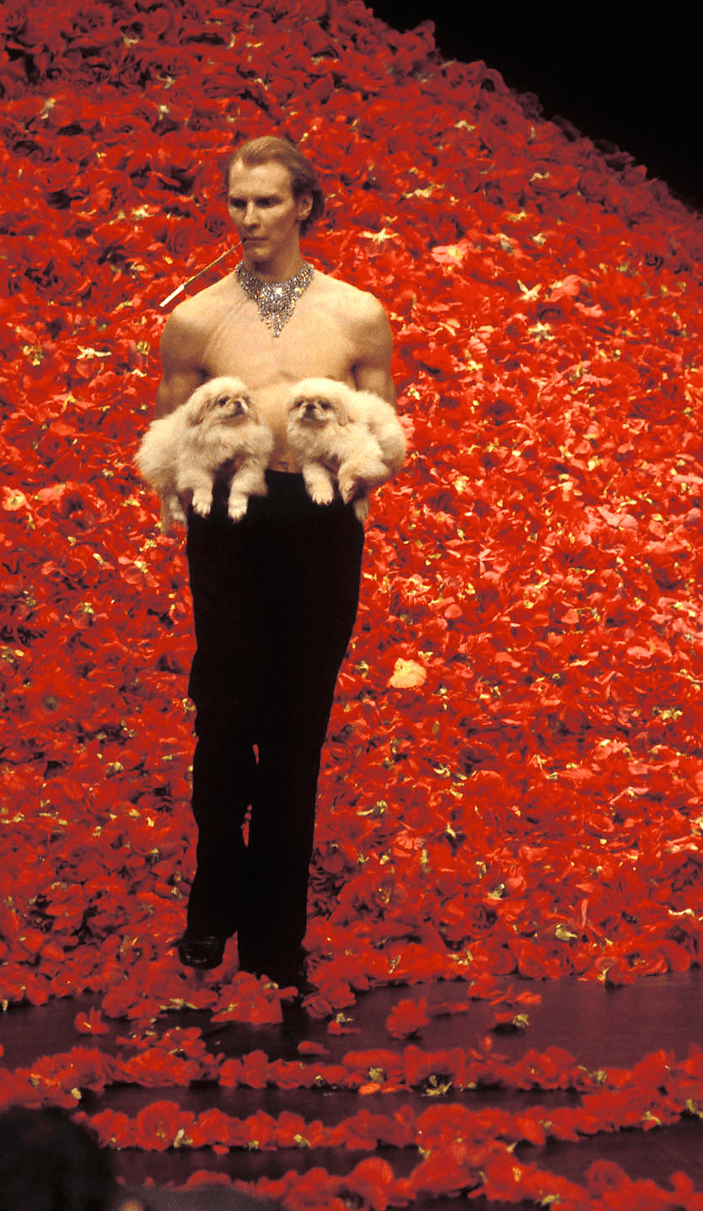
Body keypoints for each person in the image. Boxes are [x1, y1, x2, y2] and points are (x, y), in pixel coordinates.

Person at [153, 135, 397, 996]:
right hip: (231, 526)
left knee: (297, 729)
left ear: (305, 206)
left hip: (320, 528)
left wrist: (355, 491)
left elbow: (382, 435)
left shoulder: (357, 314)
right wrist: (190, 507)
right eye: (237, 202)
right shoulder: (195, 320)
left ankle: (276, 931)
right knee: (222, 721)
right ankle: (213, 901)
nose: (249, 218)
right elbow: (171, 436)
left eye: (266, 202)